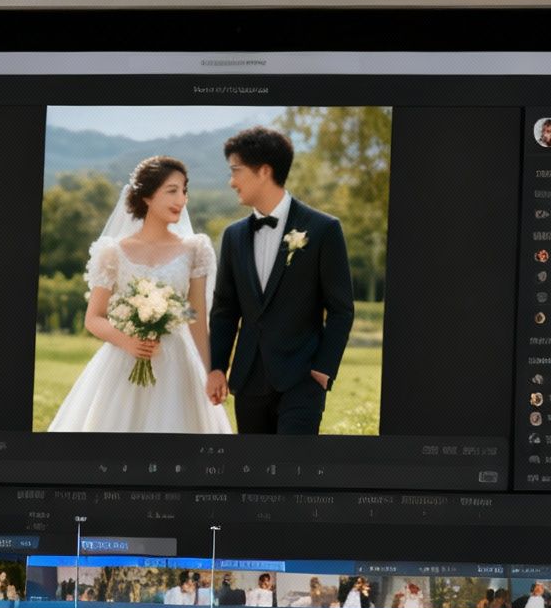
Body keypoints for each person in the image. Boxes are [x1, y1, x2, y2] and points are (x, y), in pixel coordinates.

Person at [48, 156, 232, 434]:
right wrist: (129, 342)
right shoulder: (112, 252)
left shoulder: (195, 249)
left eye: (184, 191)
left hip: (178, 363)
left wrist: (210, 371)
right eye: (172, 191)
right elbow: (93, 318)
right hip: (123, 359)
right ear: (146, 196)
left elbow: (195, 316)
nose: (181, 200)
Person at [207, 127, 356, 436]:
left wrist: (323, 370)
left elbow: (341, 309)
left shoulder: (323, 229)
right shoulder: (233, 236)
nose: (231, 181)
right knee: (254, 465)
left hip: (302, 380)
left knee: (294, 463)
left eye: (236, 170)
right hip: (248, 380)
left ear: (264, 171)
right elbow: (224, 309)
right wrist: (217, 366)